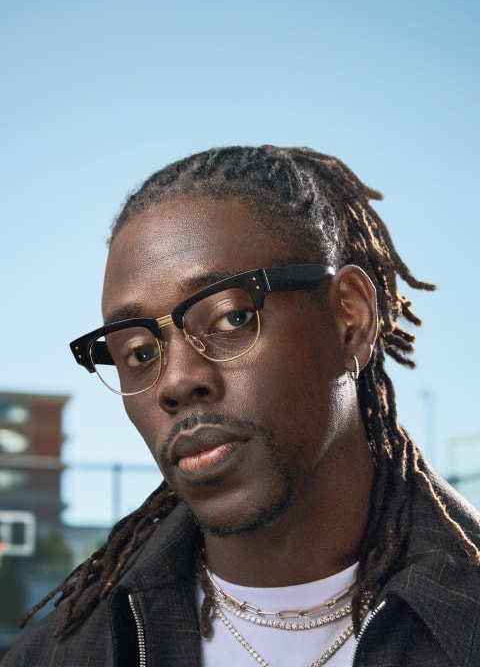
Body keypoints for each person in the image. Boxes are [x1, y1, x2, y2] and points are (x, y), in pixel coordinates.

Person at [3, 146, 480, 667]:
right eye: (139, 352)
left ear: (350, 317)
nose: (179, 382)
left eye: (231, 318)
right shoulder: (57, 656)